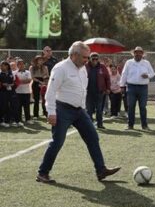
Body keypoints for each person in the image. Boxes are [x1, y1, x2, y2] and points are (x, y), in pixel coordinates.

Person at [35, 41, 121, 183]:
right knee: (58, 142)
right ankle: (43, 173)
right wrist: (51, 112)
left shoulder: (82, 68)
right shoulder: (60, 68)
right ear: (74, 55)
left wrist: (83, 109)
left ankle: (101, 170)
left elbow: (82, 90)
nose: (87, 60)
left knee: (93, 137)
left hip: (79, 111)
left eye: (87, 57)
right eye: (84, 57)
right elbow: (50, 91)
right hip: (62, 109)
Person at [119, 46, 155, 130]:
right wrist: (122, 86)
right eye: (136, 52)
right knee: (131, 106)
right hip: (131, 87)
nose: (138, 54)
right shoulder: (129, 62)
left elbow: (152, 73)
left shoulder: (146, 63)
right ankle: (130, 125)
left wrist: (147, 75)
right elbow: (124, 74)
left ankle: (144, 125)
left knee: (143, 107)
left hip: (143, 88)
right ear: (133, 53)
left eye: (140, 52)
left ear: (142, 54)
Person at [85, 53, 110, 128]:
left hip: (100, 91)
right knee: (89, 109)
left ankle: (100, 124)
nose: (95, 60)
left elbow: (107, 78)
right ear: (90, 59)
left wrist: (108, 88)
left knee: (99, 109)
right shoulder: (85, 66)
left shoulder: (102, 67)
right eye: (93, 59)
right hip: (88, 91)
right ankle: (89, 125)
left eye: (96, 59)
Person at [13, 58, 33, 125]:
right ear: (17, 65)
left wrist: (19, 81)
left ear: (24, 64)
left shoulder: (28, 72)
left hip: (26, 92)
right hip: (17, 92)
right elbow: (14, 82)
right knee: (18, 107)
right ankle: (19, 120)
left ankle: (28, 119)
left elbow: (29, 80)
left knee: (26, 106)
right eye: (19, 64)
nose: (20, 65)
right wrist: (23, 81)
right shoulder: (14, 72)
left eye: (22, 64)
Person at [0, 61, 15, 127]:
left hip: (10, 92)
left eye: (2, 65)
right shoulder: (0, 74)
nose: (1, 67)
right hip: (2, 92)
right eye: (1, 65)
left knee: (10, 106)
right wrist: (3, 84)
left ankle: (7, 121)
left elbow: (14, 81)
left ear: (7, 66)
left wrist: (11, 84)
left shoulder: (11, 73)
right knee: (3, 106)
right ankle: (1, 121)